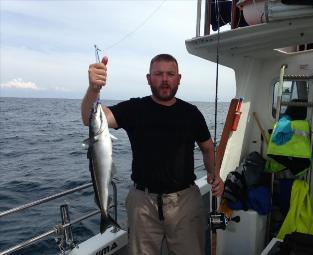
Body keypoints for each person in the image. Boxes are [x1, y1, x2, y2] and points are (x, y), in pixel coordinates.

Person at [81, 54, 224, 255]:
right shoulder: (134, 108)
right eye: (158, 74)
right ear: (148, 78)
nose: (164, 79)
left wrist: (214, 174)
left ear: (179, 78)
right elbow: (91, 118)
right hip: (142, 204)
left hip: (185, 202)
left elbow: (208, 148)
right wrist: (94, 89)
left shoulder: (192, 113)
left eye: (170, 74)